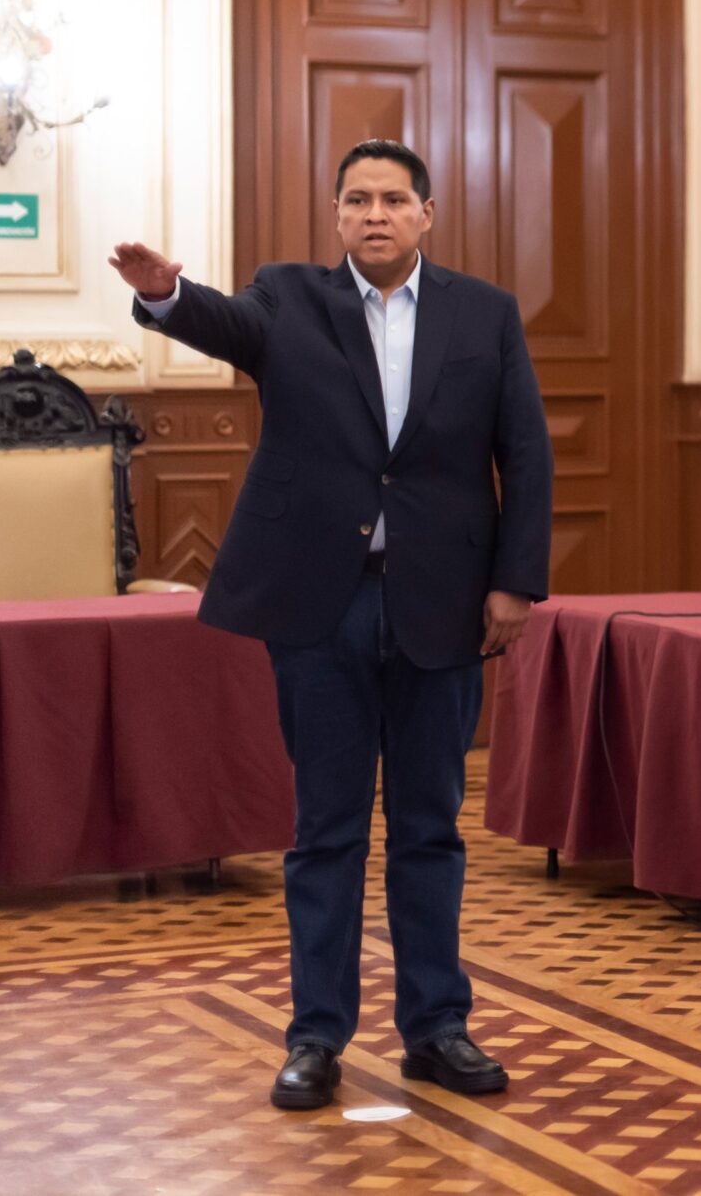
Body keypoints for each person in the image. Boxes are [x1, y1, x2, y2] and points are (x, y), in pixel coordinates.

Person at [110, 139, 553, 1111]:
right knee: (326, 829)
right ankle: (316, 1037)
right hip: (321, 602)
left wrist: (516, 582)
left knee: (431, 826)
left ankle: (437, 1026)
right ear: (338, 214)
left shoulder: (485, 314)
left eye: (394, 198)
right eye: (357, 198)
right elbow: (223, 323)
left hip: (442, 600)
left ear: (427, 213)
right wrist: (164, 296)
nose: (375, 213)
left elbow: (525, 452)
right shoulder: (289, 296)